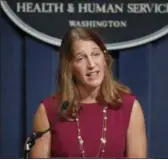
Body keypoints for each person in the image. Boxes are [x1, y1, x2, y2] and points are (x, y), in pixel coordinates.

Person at [31, 27, 147, 158]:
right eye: (81, 58)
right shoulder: (49, 111)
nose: (91, 64)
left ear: (105, 59)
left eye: (96, 54)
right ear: (70, 67)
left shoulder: (129, 107)